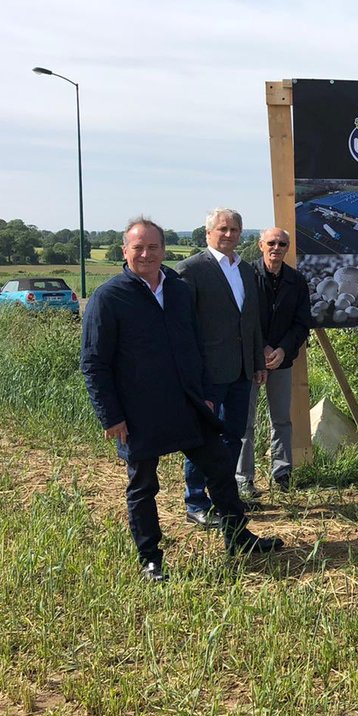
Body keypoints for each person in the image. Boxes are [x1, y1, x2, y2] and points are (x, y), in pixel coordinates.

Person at [80, 218, 283, 582]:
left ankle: (238, 537)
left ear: (163, 249)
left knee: (220, 467)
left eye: (153, 247)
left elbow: (195, 345)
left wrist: (206, 396)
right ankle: (151, 559)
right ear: (124, 251)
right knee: (143, 487)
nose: (146, 254)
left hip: (188, 404)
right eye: (138, 247)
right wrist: (111, 416)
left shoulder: (177, 288)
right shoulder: (108, 298)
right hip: (138, 412)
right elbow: (94, 363)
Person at [177, 208, 266, 524]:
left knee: (233, 436)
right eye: (223, 229)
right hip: (208, 374)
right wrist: (191, 374)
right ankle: (196, 502)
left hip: (242, 372)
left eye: (235, 229)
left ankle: (223, 497)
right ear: (208, 233)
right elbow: (183, 327)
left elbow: (251, 321)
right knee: (202, 439)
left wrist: (257, 363)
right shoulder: (191, 270)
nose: (229, 234)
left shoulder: (245, 271)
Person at [239, 227, 311, 495]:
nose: (277, 248)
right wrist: (262, 348)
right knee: (245, 423)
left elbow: (302, 323)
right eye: (271, 242)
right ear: (260, 245)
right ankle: (243, 480)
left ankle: (282, 474)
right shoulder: (246, 276)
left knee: (281, 419)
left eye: (282, 243)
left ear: (288, 247)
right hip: (249, 360)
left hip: (281, 360)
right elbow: (243, 318)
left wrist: (282, 349)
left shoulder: (296, 281)